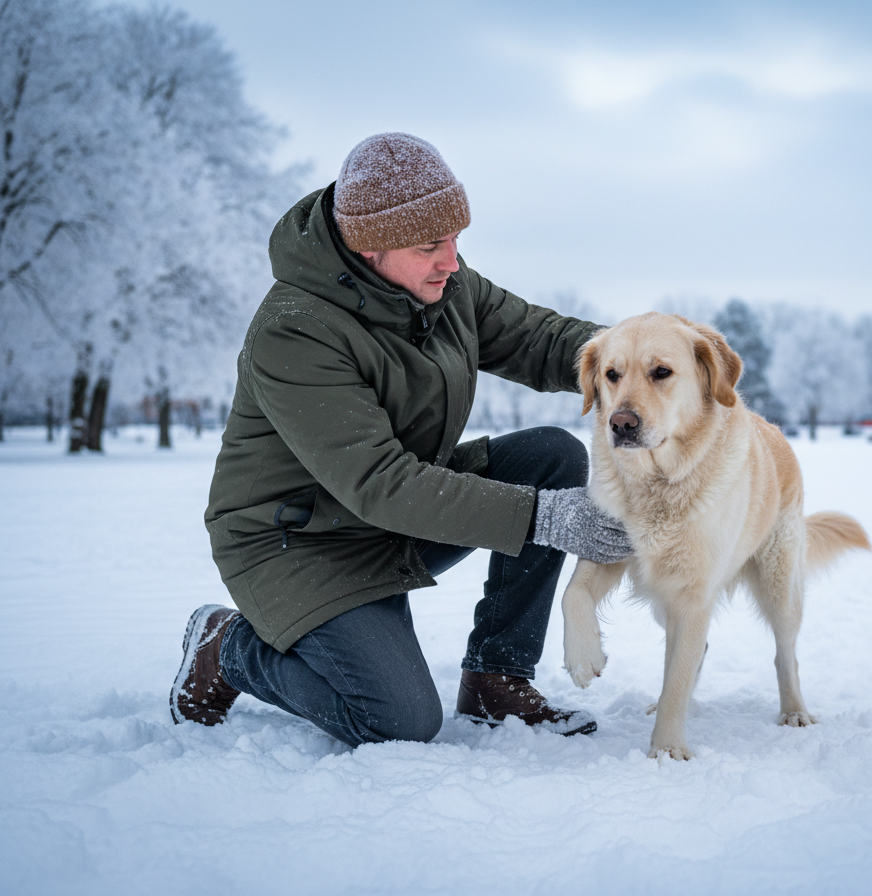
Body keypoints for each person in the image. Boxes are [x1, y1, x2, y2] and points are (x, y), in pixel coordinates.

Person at [170, 133, 631, 747]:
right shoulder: (296, 331)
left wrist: (646, 360)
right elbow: (378, 482)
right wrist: (543, 517)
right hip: (300, 545)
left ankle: (497, 676)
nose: (452, 260)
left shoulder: (446, 285)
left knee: (552, 457)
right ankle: (227, 647)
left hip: (393, 518)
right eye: (430, 245)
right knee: (397, 721)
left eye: (455, 239)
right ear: (368, 246)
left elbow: (539, 340)